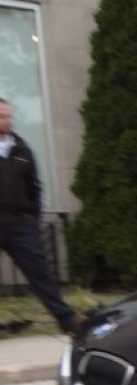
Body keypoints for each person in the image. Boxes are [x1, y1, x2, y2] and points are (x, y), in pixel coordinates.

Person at [0, 98, 83, 335]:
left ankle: (66, 320)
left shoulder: (22, 149)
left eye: (9, 116)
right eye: (2, 116)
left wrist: (32, 220)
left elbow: (35, 187)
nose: (8, 120)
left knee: (40, 273)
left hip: (20, 224)